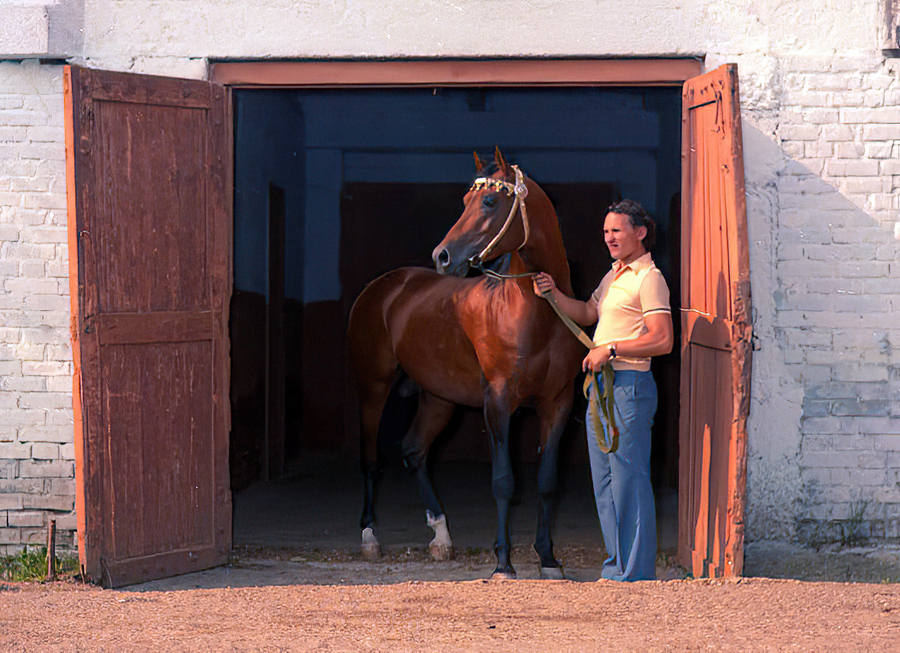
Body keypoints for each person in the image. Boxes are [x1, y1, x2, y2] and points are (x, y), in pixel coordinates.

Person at [533, 199, 673, 581]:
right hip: (602, 388)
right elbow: (588, 314)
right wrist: (552, 294)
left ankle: (635, 572)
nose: (609, 237)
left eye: (617, 230)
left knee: (629, 479)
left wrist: (610, 349)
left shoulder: (649, 279)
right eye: (606, 231)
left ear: (640, 232)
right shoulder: (614, 275)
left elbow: (662, 340)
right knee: (606, 482)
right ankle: (615, 567)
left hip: (628, 384)